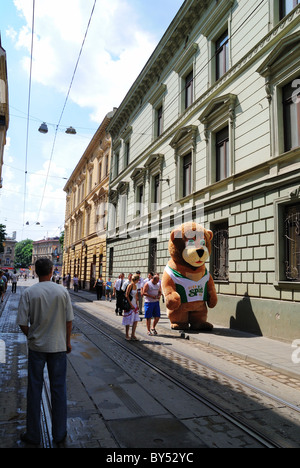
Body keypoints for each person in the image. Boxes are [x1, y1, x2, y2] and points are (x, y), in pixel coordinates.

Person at [17, 258, 74, 446]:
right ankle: (59, 433)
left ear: (36, 271)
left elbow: (22, 322)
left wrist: (32, 335)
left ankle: (33, 434)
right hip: (58, 347)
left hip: (36, 348)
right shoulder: (62, 291)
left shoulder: (29, 292)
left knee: (34, 389)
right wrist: (67, 342)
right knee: (59, 390)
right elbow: (68, 321)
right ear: (51, 271)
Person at [122, 274, 140, 341]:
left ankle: (133, 334)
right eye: (138, 279)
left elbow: (136, 296)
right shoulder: (130, 285)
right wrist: (130, 304)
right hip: (129, 305)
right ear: (136, 279)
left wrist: (137, 305)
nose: (138, 281)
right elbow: (126, 295)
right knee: (128, 320)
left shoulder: (136, 285)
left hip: (134, 304)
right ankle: (127, 334)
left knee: (135, 320)